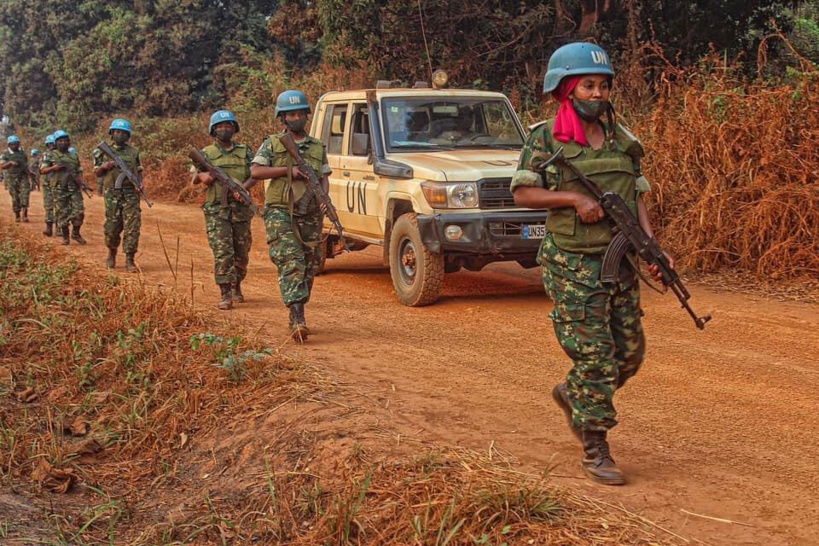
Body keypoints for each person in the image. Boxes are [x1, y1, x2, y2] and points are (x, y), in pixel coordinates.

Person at [511, 42, 673, 486]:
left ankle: (574, 395)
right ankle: (596, 447)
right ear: (565, 89)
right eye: (588, 85)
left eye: (603, 85)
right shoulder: (546, 138)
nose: (597, 93)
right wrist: (572, 197)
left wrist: (651, 247)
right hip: (572, 263)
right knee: (596, 357)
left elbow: (637, 197)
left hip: (617, 262)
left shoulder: (623, 139)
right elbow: (523, 193)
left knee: (630, 353)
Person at [248, 90, 332, 341]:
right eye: (290, 114)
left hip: (309, 212)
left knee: (310, 263)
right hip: (280, 210)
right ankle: (297, 315)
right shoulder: (273, 143)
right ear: (282, 118)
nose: (296, 118)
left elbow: (324, 177)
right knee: (291, 259)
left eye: (300, 113)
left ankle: (298, 307)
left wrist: (324, 199)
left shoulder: (317, 147)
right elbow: (257, 171)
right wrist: (289, 171)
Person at [191, 110, 254, 310]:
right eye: (220, 126)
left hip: (240, 209)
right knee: (223, 251)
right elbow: (194, 177)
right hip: (217, 210)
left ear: (234, 128)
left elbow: (255, 173)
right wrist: (204, 177)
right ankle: (225, 292)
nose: (224, 129)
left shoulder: (245, 151)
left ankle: (237, 285)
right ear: (213, 130)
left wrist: (243, 188)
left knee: (241, 252)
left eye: (228, 125)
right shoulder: (206, 153)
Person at [93, 119, 143, 272]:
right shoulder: (102, 151)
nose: (119, 135)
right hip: (112, 193)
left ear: (128, 135)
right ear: (111, 134)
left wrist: (139, 184)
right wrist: (105, 166)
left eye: (123, 133)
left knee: (132, 227)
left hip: (130, 194)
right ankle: (111, 252)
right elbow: (96, 172)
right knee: (112, 226)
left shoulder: (133, 152)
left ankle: (130, 259)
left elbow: (139, 170)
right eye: (117, 132)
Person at [40, 130, 87, 245]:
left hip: (74, 188)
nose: (63, 143)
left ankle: (76, 233)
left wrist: (82, 183)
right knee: (62, 213)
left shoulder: (74, 155)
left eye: (66, 141)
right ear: (56, 143)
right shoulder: (50, 155)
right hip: (59, 188)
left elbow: (79, 171)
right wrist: (53, 168)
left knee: (79, 211)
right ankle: (65, 237)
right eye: (60, 141)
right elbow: (42, 170)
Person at [0, 136, 31, 222]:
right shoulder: (5, 154)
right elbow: (2, 165)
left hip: (23, 176)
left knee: (25, 194)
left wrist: (29, 174)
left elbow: (26, 165)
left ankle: (25, 214)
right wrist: (10, 163)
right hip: (11, 178)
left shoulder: (22, 153)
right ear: (9, 145)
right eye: (13, 144)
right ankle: (17, 214)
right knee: (15, 197)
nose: (15, 146)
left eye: (16, 144)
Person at [40, 134, 57, 236]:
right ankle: (49, 227)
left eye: (53, 144)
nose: (52, 146)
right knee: (49, 205)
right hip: (48, 183)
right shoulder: (46, 155)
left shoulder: (63, 154)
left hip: (59, 183)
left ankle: (60, 228)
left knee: (60, 206)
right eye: (50, 144)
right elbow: (42, 170)